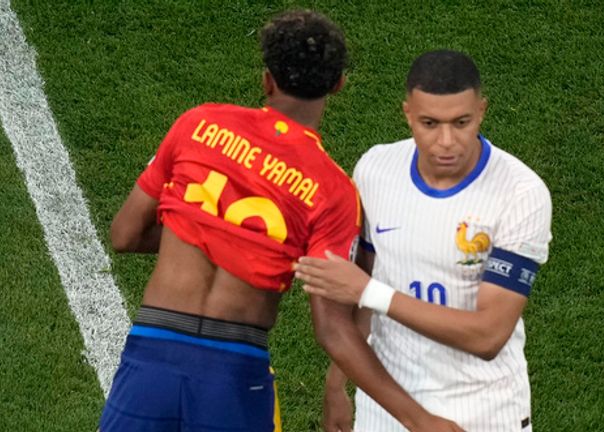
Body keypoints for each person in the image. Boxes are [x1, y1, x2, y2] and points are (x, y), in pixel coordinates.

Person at [100, 11, 462, 432]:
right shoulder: (333, 191)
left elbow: (124, 234)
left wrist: (205, 231)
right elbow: (332, 331)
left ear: (267, 79)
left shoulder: (198, 124)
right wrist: (418, 419)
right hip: (235, 379)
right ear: (338, 84)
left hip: (150, 360)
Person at [294, 49, 552, 432]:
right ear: (408, 114)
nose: (446, 141)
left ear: (481, 111)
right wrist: (337, 383)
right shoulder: (375, 170)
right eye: (430, 123)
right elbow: (364, 287)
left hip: (483, 414)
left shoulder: (520, 193)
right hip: (384, 411)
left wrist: (370, 292)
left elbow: (488, 335)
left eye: (461, 122)